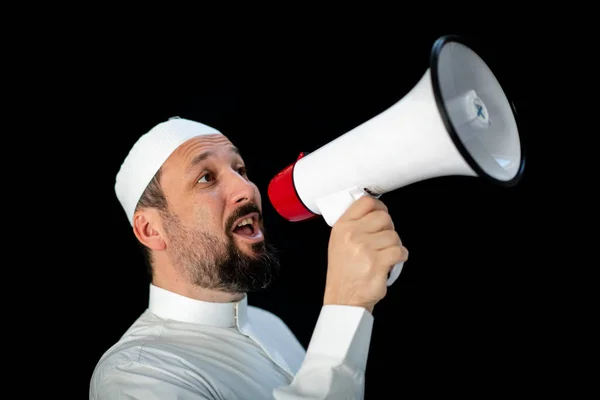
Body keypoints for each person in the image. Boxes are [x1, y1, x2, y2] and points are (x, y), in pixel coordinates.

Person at [89, 116, 409, 399]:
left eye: (240, 169)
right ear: (150, 230)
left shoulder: (271, 327)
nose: (246, 188)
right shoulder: (133, 375)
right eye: (206, 178)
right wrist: (346, 304)